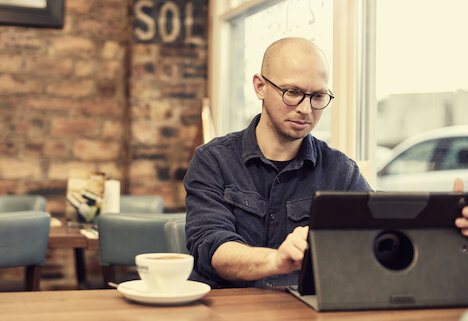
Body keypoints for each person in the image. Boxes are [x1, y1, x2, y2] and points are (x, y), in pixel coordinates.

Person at [183, 37, 468, 289]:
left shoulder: (340, 172)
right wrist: (277, 260)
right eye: (292, 92)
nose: (306, 109)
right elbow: (212, 248)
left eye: (318, 96)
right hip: (227, 310)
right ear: (260, 87)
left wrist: (448, 228)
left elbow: (380, 239)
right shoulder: (213, 161)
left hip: (307, 311)